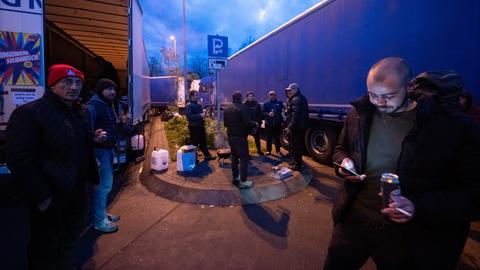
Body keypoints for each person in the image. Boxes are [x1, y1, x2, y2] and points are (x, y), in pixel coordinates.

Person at [324, 57, 480, 270]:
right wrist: (343, 163)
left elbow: (472, 194)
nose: (379, 103)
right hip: (353, 221)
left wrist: (418, 207)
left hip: (407, 238)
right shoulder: (358, 115)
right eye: (372, 95)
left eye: (388, 96)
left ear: (409, 86)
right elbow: (340, 149)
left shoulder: (450, 127)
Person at [6, 64, 101, 270]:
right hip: (51, 195)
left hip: (77, 191)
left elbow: (79, 144)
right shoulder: (30, 113)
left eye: (78, 82)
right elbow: (19, 159)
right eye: (66, 82)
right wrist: (42, 197)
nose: (73, 87)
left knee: (70, 238)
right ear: (52, 85)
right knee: (45, 247)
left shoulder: (79, 112)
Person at [86, 78, 125, 233]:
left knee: (105, 185)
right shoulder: (93, 106)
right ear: (100, 90)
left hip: (107, 149)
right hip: (99, 151)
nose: (112, 92)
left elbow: (113, 125)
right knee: (103, 186)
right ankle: (98, 220)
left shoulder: (108, 105)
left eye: (114, 89)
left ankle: (101, 213)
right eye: (108, 89)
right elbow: (86, 131)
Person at [224, 91, 258, 188]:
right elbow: (247, 123)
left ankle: (235, 178)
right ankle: (243, 181)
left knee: (234, 158)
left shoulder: (227, 109)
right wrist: (254, 124)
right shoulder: (243, 108)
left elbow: (225, 124)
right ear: (240, 98)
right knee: (244, 158)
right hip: (240, 138)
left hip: (231, 137)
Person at [284, 83, 309, 171]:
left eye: (290, 90)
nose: (288, 92)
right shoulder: (298, 98)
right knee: (295, 146)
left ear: (295, 90)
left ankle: (297, 165)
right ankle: (295, 161)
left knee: (296, 146)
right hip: (298, 126)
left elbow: (295, 116)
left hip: (297, 127)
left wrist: (290, 127)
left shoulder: (296, 99)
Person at [184, 90, 215, 160]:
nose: (197, 96)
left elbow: (201, 114)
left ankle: (207, 156)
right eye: (196, 95)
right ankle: (193, 159)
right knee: (194, 143)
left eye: (197, 95)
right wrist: (200, 115)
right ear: (191, 96)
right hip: (194, 127)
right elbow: (189, 117)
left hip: (200, 126)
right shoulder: (188, 105)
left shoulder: (198, 104)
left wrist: (204, 114)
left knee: (203, 141)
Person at [262, 90, 284, 155]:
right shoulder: (266, 103)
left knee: (277, 138)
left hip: (277, 124)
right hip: (269, 124)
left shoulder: (279, 103)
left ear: (275, 95)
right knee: (268, 138)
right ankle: (269, 150)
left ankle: (278, 150)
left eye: (273, 95)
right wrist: (268, 114)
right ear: (269, 96)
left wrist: (282, 121)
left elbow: (282, 112)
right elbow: (263, 113)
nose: (272, 96)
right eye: (271, 95)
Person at [243, 91, 264, 156]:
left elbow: (260, 113)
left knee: (257, 138)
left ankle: (259, 150)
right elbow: (242, 115)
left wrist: (260, 123)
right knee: (244, 139)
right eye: (249, 96)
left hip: (255, 125)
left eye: (252, 96)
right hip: (247, 125)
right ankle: (246, 152)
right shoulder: (244, 104)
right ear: (247, 97)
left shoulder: (256, 104)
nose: (251, 97)